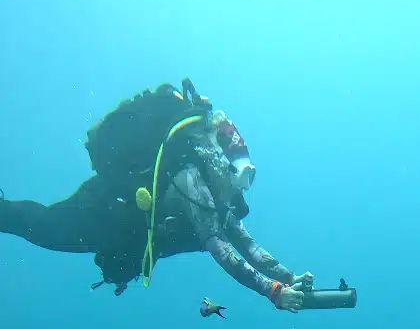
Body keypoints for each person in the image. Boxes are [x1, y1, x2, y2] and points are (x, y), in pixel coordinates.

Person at [0, 79, 312, 312]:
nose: (239, 189)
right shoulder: (193, 181)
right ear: (222, 164)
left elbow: (246, 243)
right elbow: (222, 250)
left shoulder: (215, 190)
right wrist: (273, 291)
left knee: (42, 226)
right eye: (239, 177)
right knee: (42, 227)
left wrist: (288, 276)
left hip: (123, 224)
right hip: (103, 211)